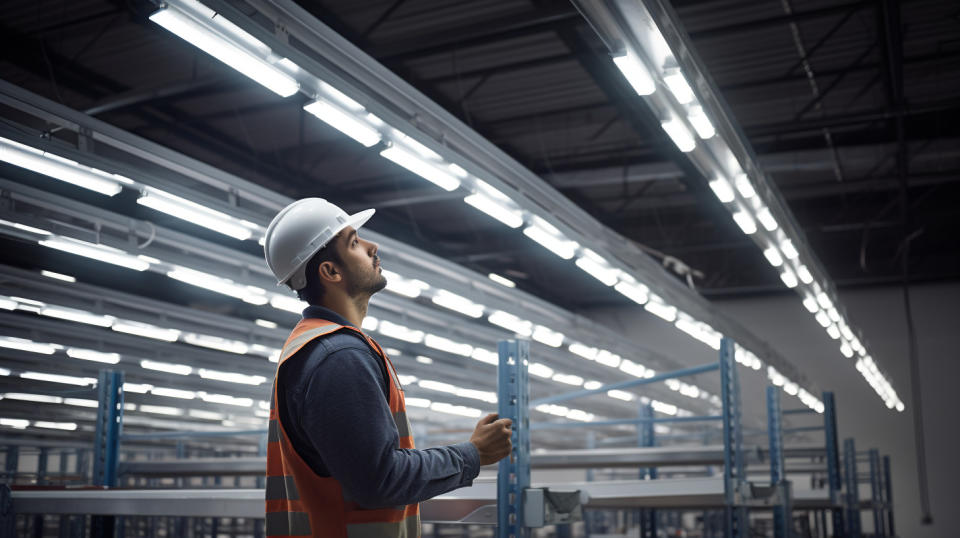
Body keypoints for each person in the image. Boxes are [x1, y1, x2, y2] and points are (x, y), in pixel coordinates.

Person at [261, 198, 513, 537]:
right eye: (354, 242)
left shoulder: (316, 346)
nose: (372, 246)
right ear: (331, 272)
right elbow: (380, 481)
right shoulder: (339, 357)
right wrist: (473, 455)